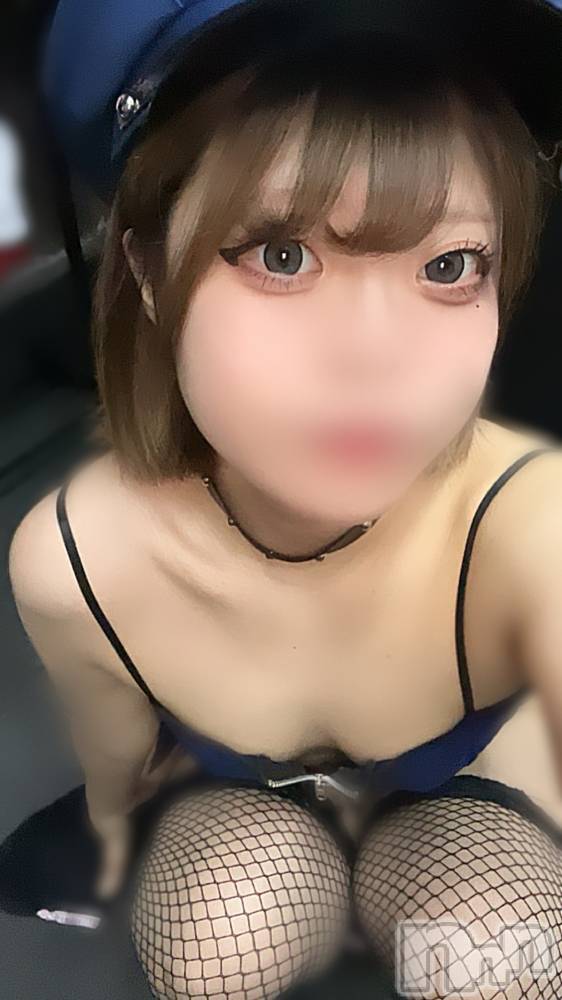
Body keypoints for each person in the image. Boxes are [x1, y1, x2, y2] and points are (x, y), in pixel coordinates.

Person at [3, 1, 562, 997]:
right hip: (243, 809)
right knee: (213, 948)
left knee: (490, 955)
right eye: (281, 255)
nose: (377, 356)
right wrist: (117, 830)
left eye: (448, 266)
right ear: (146, 269)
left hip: (481, 799)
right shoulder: (79, 558)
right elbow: (115, 767)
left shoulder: (533, 525)